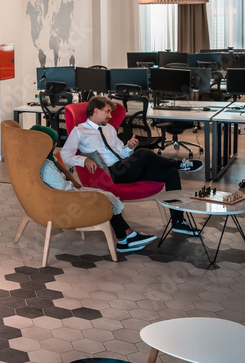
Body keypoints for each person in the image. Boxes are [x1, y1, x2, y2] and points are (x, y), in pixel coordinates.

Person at [61, 95, 200, 236]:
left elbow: (121, 153)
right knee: (143, 153)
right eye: (107, 112)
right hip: (112, 174)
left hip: (124, 168)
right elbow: (65, 155)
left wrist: (128, 147)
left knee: (170, 173)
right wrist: (83, 160)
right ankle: (178, 164)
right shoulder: (79, 131)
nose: (110, 116)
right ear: (96, 110)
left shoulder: (109, 128)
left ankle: (178, 222)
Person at [31, 125, 156, 254]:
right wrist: (76, 187)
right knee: (104, 198)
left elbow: (60, 166)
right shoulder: (46, 165)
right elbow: (62, 188)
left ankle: (125, 238)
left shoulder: (47, 158)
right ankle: (125, 238)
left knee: (106, 195)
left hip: (68, 192)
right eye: (53, 142)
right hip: (65, 198)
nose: (56, 144)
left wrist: (73, 180)